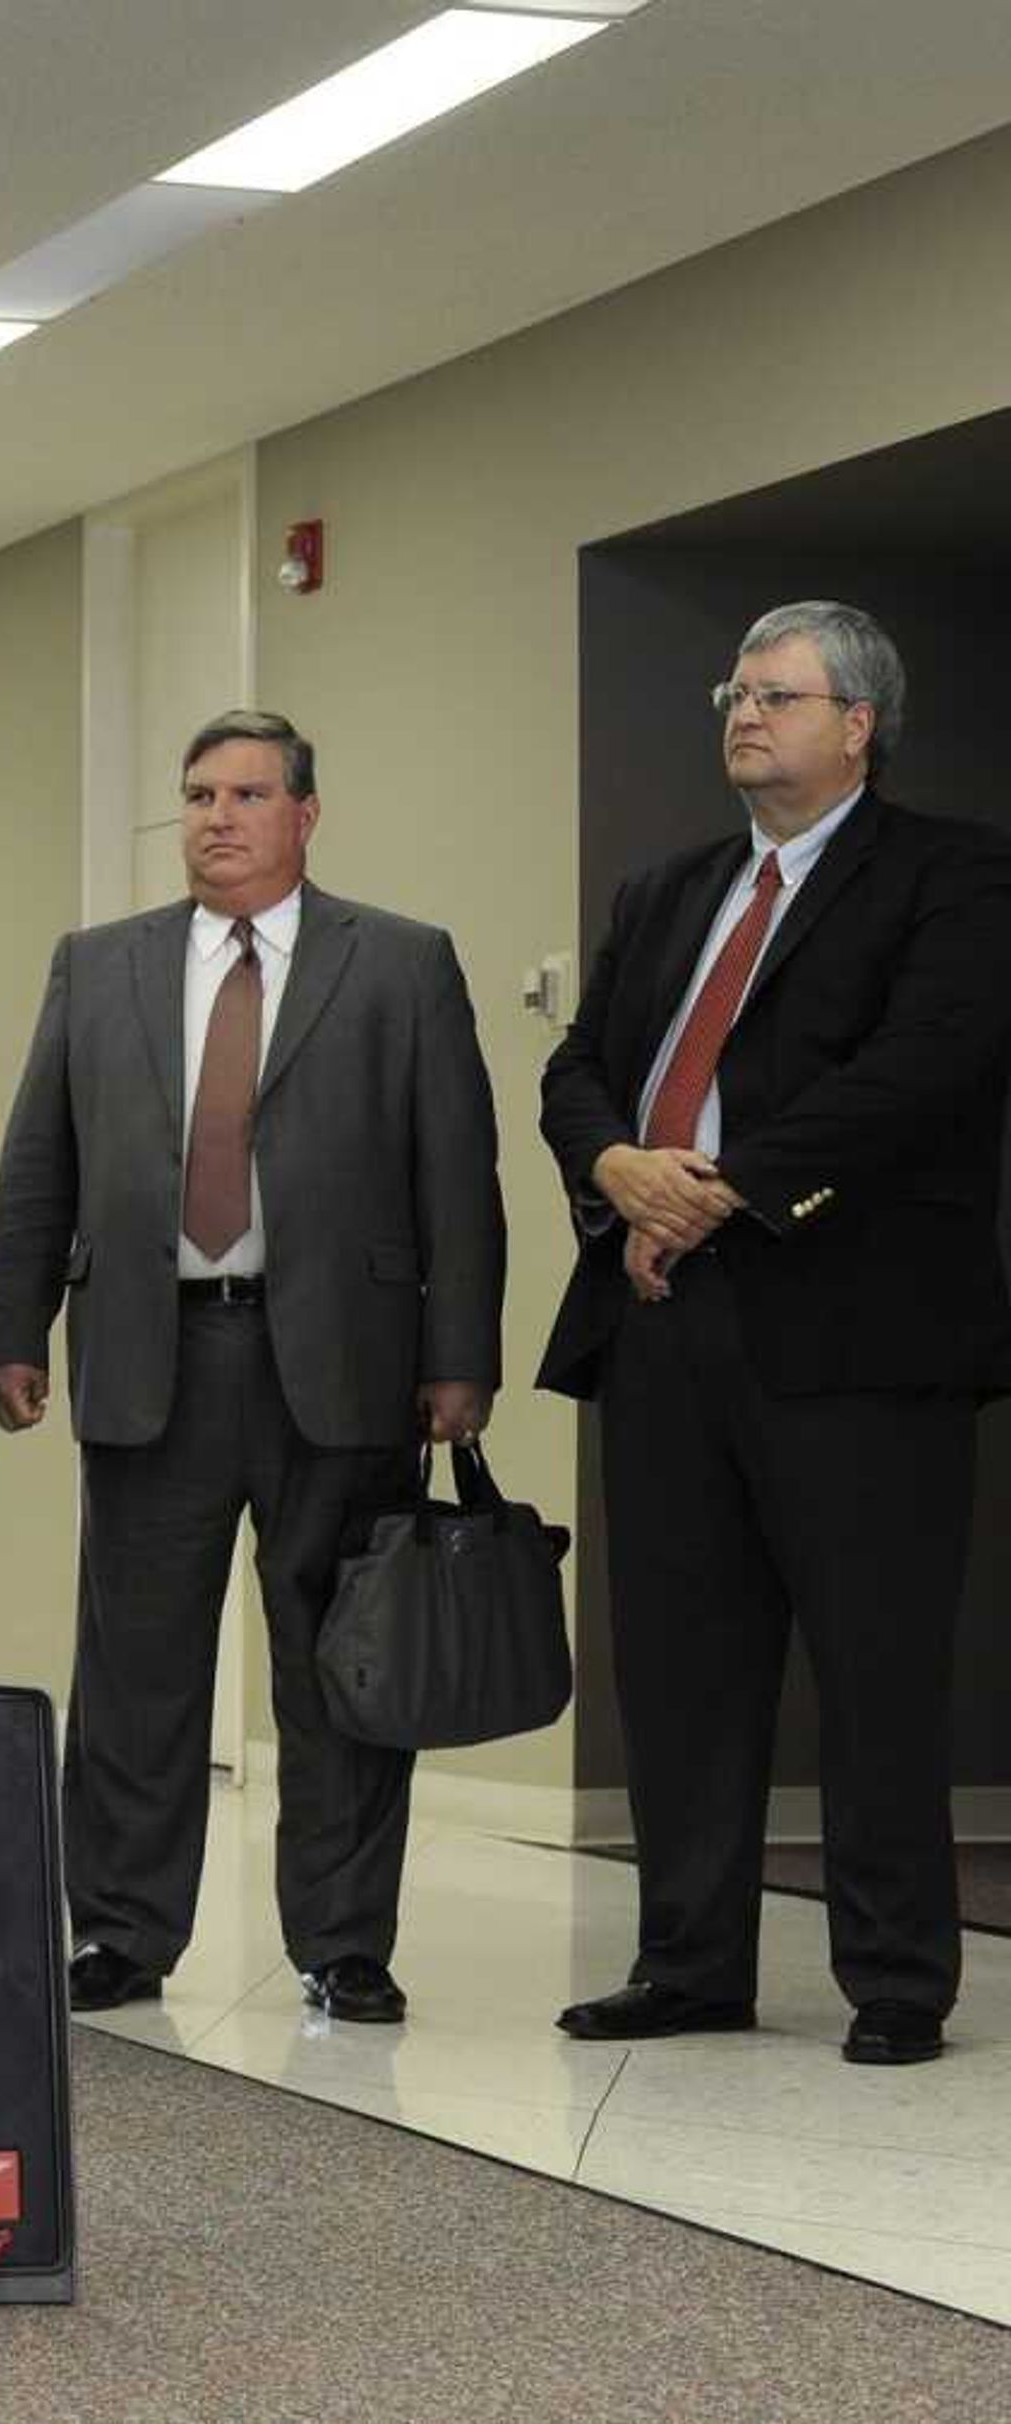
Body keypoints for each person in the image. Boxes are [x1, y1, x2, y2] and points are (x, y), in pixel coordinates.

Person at [0, 709, 501, 2026]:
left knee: (341, 1669)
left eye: (248, 793)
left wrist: (460, 1357)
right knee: (137, 1668)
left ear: (305, 814)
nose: (217, 816)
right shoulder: (100, 968)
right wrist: (9, 1326)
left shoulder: (401, 963)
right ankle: (122, 1932)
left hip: (343, 1363)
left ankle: (342, 1943)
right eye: (199, 794)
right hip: (155, 1354)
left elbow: (458, 1176)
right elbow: (39, 1155)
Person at [538, 601, 1011, 2068]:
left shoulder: (952, 876)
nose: (745, 715)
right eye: (734, 692)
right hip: (665, 1317)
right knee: (678, 1660)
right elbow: (580, 1065)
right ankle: (688, 1961)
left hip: (856, 1334)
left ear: (858, 723)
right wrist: (618, 1170)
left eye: (780, 695)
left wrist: (728, 1190)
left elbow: (920, 1076)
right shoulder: (670, 888)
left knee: (872, 1666)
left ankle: (895, 1980)